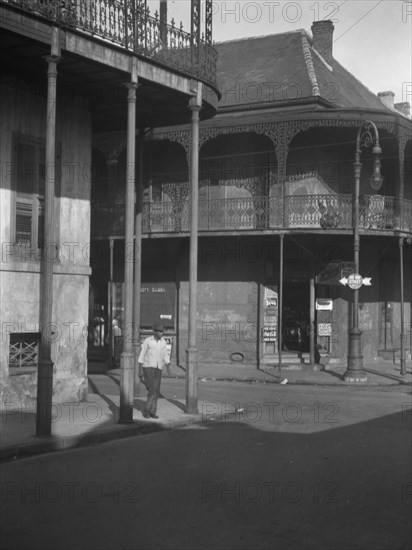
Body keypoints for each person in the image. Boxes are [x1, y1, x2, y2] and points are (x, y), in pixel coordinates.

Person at [138, 324, 170, 419]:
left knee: (156, 390)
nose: (161, 333)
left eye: (162, 332)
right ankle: (146, 410)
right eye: (159, 331)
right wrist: (140, 370)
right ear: (154, 332)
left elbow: (166, 356)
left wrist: (169, 370)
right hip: (148, 367)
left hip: (158, 367)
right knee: (152, 389)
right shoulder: (148, 341)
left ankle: (153, 411)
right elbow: (142, 355)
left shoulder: (163, 342)